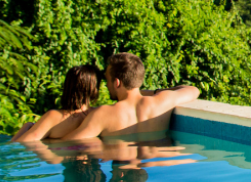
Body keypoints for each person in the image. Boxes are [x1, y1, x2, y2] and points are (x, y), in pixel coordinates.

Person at [62, 52, 201, 139]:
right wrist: (154, 92)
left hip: (121, 175)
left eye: (107, 80)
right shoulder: (164, 101)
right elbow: (194, 90)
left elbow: (65, 145)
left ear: (117, 82)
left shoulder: (103, 114)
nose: (106, 85)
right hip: (154, 172)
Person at [12, 65, 102, 142]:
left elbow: (18, 145)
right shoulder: (98, 115)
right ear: (94, 89)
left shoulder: (54, 117)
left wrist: (26, 126)